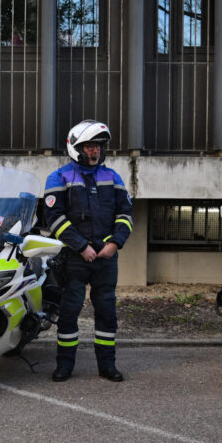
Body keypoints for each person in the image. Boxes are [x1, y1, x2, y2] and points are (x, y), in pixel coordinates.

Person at [43, 120, 133, 382]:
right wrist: (81, 247)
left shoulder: (112, 177)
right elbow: (55, 218)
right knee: (69, 313)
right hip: (73, 259)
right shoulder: (58, 177)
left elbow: (125, 214)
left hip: (106, 258)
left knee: (107, 312)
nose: (95, 151)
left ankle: (107, 366)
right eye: (90, 146)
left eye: (98, 146)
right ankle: (65, 366)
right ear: (75, 147)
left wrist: (114, 243)